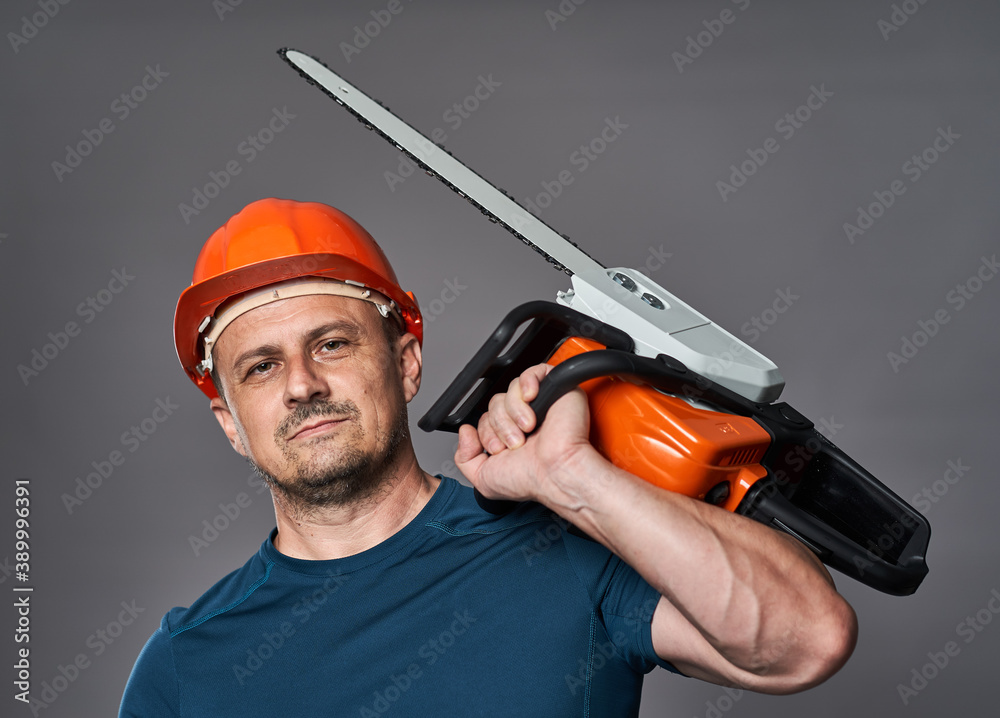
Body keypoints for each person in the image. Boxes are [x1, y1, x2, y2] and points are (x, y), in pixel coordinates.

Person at [119, 198, 857, 717]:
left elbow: (804, 641)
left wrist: (575, 479)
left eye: (332, 343)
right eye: (260, 367)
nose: (303, 385)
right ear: (230, 423)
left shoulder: (566, 545)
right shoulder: (188, 663)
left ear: (407, 365)